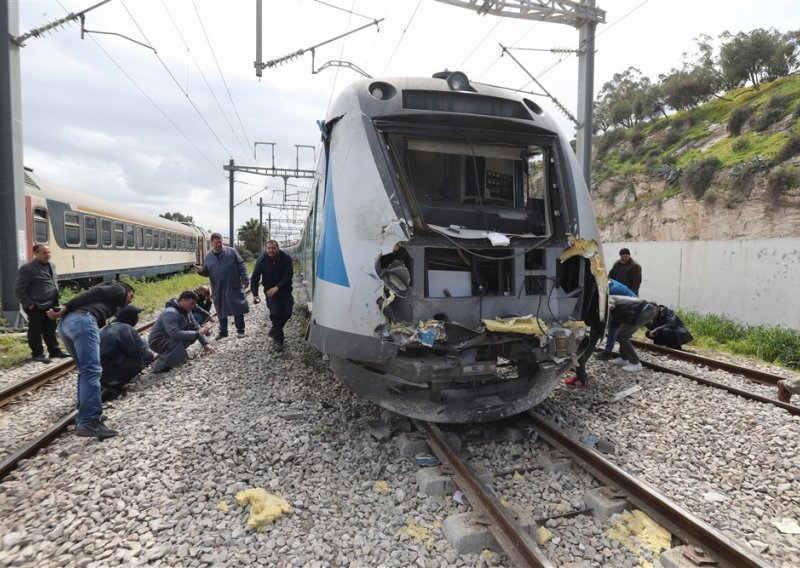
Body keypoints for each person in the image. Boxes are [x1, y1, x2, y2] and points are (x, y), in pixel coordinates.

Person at [48, 281, 135, 439]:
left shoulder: (110, 301)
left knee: (86, 371)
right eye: (131, 295)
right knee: (92, 371)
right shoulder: (119, 288)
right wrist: (64, 308)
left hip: (67, 324)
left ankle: (85, 416)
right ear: (127, 289)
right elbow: (90, 294)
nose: (131, 299)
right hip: (82, 320)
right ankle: (89, 421)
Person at [566, 278, 636, 386]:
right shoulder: (600, 284)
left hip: (600, 321)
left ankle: (581, 376)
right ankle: (580, 373)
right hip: (594, 319)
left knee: (585, 348)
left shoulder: (608, 290)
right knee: (583, 348)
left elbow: (611, 306)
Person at [14, 244, 69, 363]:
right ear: (35, 253)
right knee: (35, 330)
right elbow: (19, 289)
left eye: (49, 252)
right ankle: (37, 354)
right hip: (36, 305)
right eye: (44, 252)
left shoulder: (52, 265)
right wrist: (29, 304)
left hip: (51, 303)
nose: (47, 255)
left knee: (50, 329)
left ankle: (54, 351)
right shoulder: (28, 268)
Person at [196, 233, 249, 340]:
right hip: (217, 287)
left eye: (220, 242)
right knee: (220, 309)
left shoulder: (231, 252)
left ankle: (240, 331)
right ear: (212, 243)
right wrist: (201, 271)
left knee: (237, 307)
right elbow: (207, 272)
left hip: (232, 285)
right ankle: (223, 332)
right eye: (217, 242)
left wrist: (245, 278)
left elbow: (241, 265)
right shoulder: (209, 256)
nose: (219, 244)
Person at [148, 290, 214, 373]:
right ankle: (159, 367)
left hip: (168, 338)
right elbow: (174, 334)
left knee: (192, 336)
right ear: (182, 301)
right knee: (182, 340)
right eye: (191, 303)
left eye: (194, 304)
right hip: (157, 341)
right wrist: (197, 333)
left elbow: (195, 326)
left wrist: (205, 343)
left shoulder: (187, 310)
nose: (193, 306)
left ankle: (175, 354)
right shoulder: (170, 313)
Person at [99, 305, 155, 397]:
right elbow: (136, 352)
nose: (137, 318)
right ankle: (115, 382)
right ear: (129, 317)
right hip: (111, 370)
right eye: (135, 316)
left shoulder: (107, 328)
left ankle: (110, 381)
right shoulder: (125, 328)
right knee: (148, 356)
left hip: (101, 371)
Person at [250, 240, 294, 351]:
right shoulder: (262, 260)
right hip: (270, 292)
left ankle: (274, 329)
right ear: (266, 249)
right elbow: (255, 277)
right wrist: (255, 294)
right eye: (268, 248)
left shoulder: (286, 259)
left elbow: (288, 276)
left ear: (278, 248)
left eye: (273, 248)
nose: (271, 250)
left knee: (287, 313)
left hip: (285, 291)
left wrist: (277, 287)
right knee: (275, 313)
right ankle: (279, 341)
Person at [607, 295, 657, 373]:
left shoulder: (609, 298)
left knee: (622, 336)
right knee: (621, 335)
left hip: (644, 311)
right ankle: (624, 358)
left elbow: (611, 305)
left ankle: (635, 363)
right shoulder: (613, 298)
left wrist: (608, 307)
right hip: (639, 311)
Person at [595, 279, 638, 361]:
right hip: (628, 308)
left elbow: (610, 306)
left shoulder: (611, 290)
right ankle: (621, 357)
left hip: (630, 310)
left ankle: (609, 353)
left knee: (620, 334)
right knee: (615, 329)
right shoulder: (609, 282)